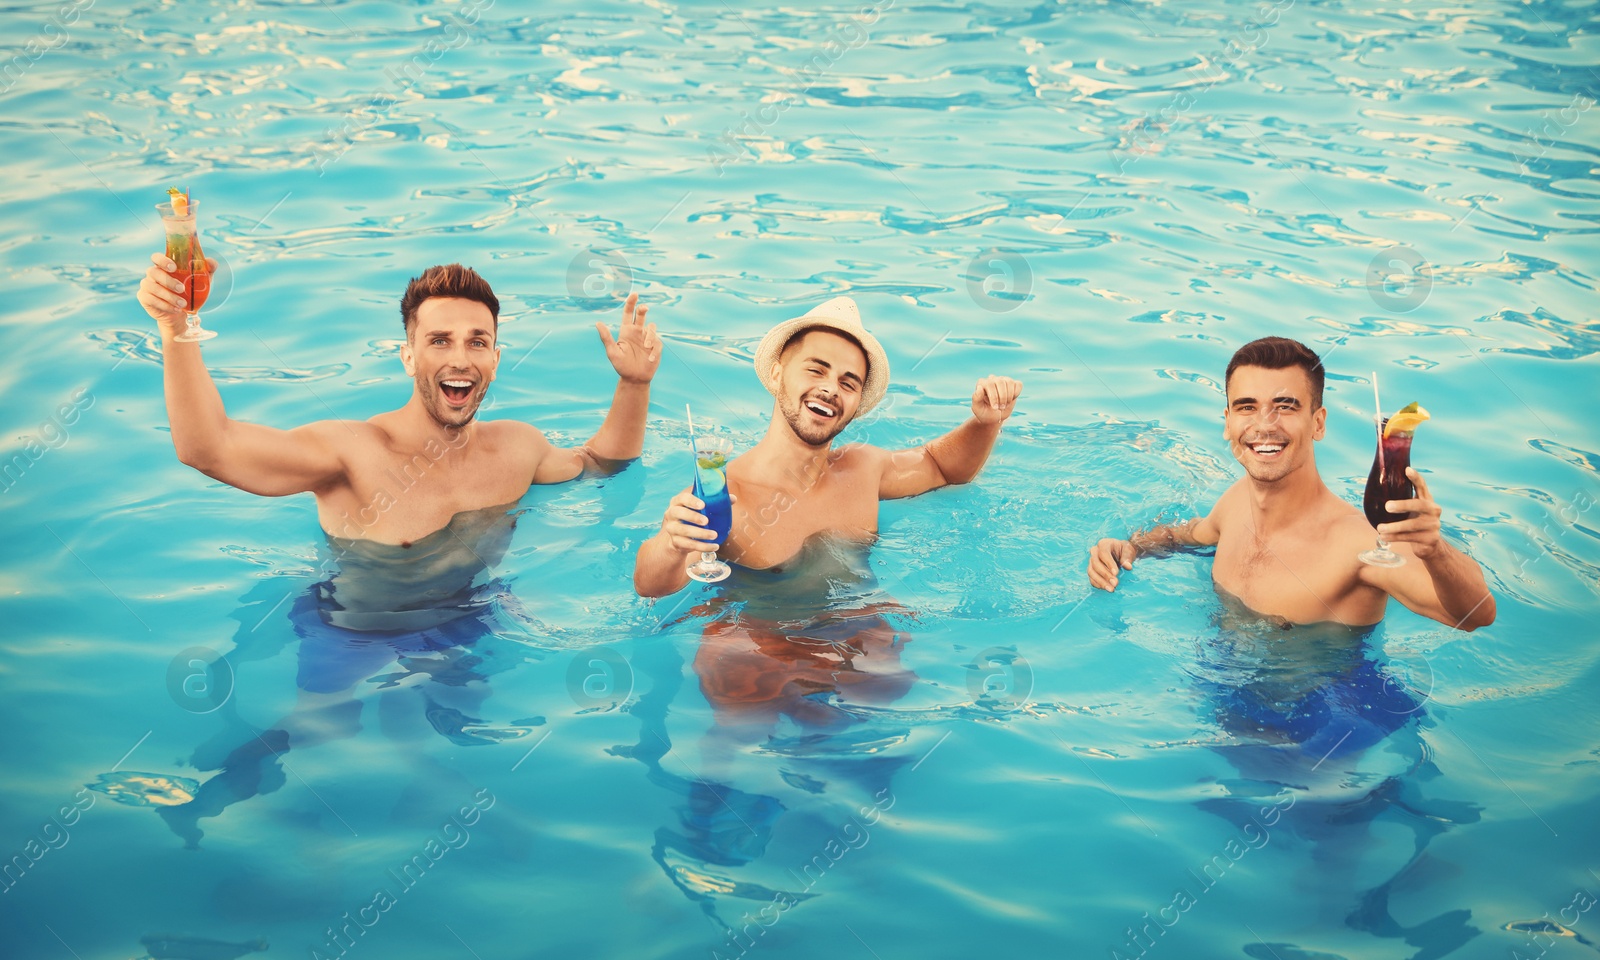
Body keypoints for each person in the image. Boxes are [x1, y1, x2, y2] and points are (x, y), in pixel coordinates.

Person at [135, 257, 659, 544]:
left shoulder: (519, 448)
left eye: (477, 342)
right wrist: (175, 329)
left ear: (496, 360)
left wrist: (634, 386)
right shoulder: (351, 454)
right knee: (320, 728)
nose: (460, 359)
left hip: (473, 616)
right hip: (354, 629)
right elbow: (208, 448)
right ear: (407, 357)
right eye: (438, 341)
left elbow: (600, 466)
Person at [1086, 336, 1495, 631]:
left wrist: (1436, 551)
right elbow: (1184, 536)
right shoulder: (1234, 503)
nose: (1264, 425)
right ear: (1227, 422)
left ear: (1318, 423)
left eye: (1285, 407)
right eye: (1247, 407)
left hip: (1314, 731)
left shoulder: (1359, 546)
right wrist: (1130, 547)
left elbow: (1474, 615)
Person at [632, 296, 1022, 596]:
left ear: (856, 403)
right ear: (777, 371)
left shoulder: (864, 468)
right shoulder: (725, 496)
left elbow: (942, 467)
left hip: (853, 630)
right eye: (816, 369)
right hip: (757, 644)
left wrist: (984, 423)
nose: (830, 389)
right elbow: (650, 585)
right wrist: (671, 543)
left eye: (848, 382)